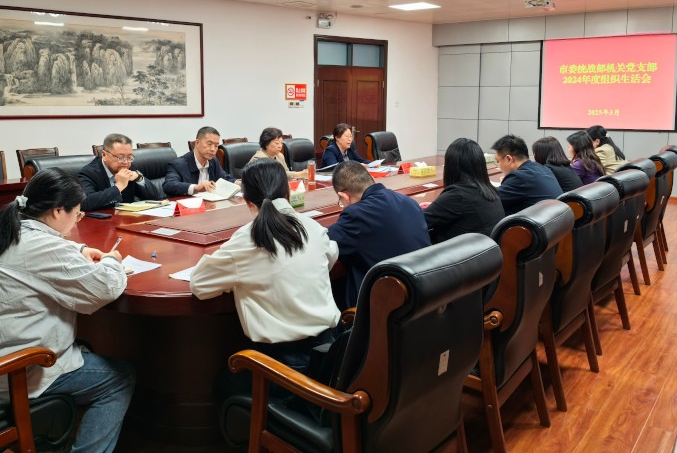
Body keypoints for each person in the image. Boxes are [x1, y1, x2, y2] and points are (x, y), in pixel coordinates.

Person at [0, 168, 134, 453]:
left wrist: (79, 250)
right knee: (120, 377)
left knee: (84, 349)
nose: (77, 220)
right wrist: (112, 260)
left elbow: (40, 256)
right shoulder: (41, 246)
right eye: (77, 214)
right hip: (9, 373)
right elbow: (105, 288)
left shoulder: (3, 230)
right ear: (58, 210)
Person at [190, 160, 339, 374]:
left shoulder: (246, 239)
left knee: (221, 380)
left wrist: (238, 282)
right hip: (331, 352)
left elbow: (199, 284)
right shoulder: (312, 226)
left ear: (247, 201)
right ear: (288, 192)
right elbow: (331, 255)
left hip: (283, 366)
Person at [328, 161, 430, 309]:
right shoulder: (409, 202)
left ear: (344, 196)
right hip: (423, 296)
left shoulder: (356, 215)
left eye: (341, 202)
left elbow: (322, 242)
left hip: (386, 307)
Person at [423, 138, 504, 245]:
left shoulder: (457, 195)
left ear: (451, 166)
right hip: (486, 252)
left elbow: (418, 222)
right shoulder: (490, 189)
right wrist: (438, 206)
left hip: (457, 253)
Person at [78, 133, 162, 211]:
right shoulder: (88, 173)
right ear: (104, 155)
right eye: (120, 157)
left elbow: (155, 197)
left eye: (129, 157)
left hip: (128, 218)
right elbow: (85, 203)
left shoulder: (130, 167)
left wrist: (139, 178)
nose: (126, 162)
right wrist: (119, 187)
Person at [492, 134, 563, 215]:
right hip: (556, 220)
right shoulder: (542, 168)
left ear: (509, 159)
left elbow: (491, 202)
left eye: (497, 161)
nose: (498, 165)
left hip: (536, 221)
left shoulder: (519, 177)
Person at [163, 126, 235, 196]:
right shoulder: (178, 164)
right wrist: (196, 187)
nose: (213, 149)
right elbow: (169, 185)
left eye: (216, 146)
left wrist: (237, 182)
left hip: (209, 203)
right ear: (197, 143)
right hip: (187, 203)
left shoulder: (213, 161)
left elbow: (224, 178)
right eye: (209, 144)